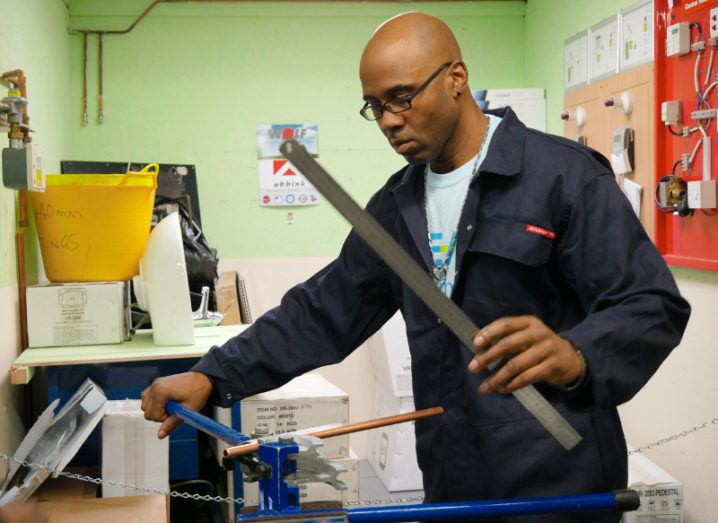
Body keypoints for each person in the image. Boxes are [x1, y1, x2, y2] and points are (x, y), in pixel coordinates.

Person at [141, 13, 690, 522]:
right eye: (375, 106)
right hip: (452, 484)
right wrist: (211, 374)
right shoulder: (396, 208)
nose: (388, 121)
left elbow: (651, 305)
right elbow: (323, 311)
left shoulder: (562, 179)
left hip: (559, 487)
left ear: (456, 78)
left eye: (402, 98)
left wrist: (576, 354)